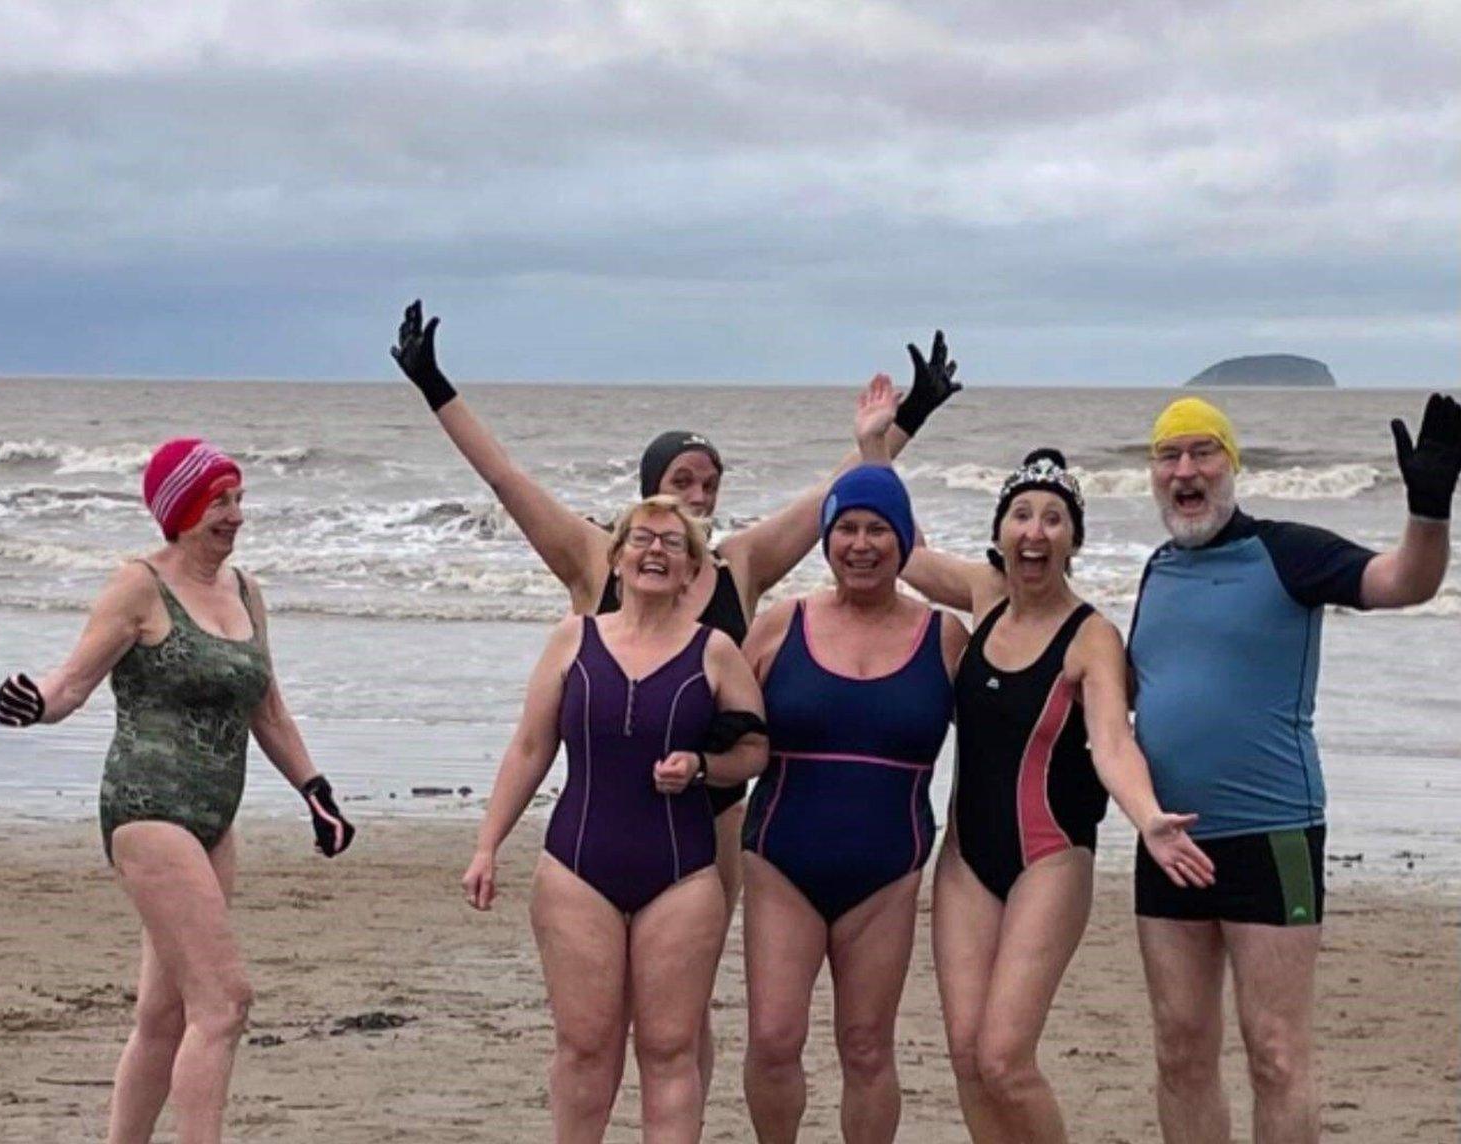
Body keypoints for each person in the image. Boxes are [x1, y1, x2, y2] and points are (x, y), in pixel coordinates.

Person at [392, 300, 958, 1086]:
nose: (697, 497)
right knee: (595, 1026)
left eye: (710, 484)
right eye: (679, 482)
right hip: (607, 815)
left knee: (680, 1017)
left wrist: (914, 412)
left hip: (711, 822)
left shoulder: (741, 565)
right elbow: (505, 476)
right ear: (645, 495)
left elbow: (846, 495)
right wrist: (432, 383)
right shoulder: (599, 560)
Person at [0, 438, 356, 1144]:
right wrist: (32, 701)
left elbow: (268, 709)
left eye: (239, 498)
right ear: (181, 507)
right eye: (219, 500)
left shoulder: (247, 591)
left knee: (164, 1016)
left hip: (215, 818)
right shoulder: (138, 586)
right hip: (146, 809)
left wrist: (315, 790)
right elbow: (70, 684)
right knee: (224, 1003)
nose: (235, 515)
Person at [1128, 394, 1459, 1144]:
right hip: (1165, 839)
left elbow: (1405, 582)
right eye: (1168, 455)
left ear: (1232, 465)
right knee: (1179, 1050)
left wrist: (1430, 510)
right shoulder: (1154, 568)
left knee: (1275, 1052)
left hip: (1271, 835)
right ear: (1153, 474)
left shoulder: (1289, 552)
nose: (1186, 470)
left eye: (1203, 452)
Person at [901, 448, 1214, 1142]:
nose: (1034, 531)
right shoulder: (983, 599)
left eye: (1052, 519)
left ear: (1073, 540)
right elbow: (901, 547)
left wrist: (1149, 819)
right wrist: (876, 448)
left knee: (1004, 1058)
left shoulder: (1091, 636)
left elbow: (1111, 743)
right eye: (1020, 515)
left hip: (1050, 856)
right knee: (965, 1058)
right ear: (1001, 532)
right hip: (965, 862)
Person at [460, 495, 768, 1142]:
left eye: (672, 544)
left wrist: (702, 767)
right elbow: (530, 747)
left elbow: (754, 750)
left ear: (691, 571)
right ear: (618, 559)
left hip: (682, 874)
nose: (655, 551)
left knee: (668, 1048)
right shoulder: (575, 639)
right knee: (585, 1046)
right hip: (578, 865)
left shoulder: (715, 652)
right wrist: (487, 845)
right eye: (641, 540)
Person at [738, 461, 966, 1143]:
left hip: (888, 873)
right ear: (825, 538)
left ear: (904, 542)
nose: (861, 544)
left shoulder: (945, 637)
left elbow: (1005, 737)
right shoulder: (783, 625)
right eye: (845, 529)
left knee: (867, 1047)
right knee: (775, 1039)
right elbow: (718, 723)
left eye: (877, 529)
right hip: (782, 861)